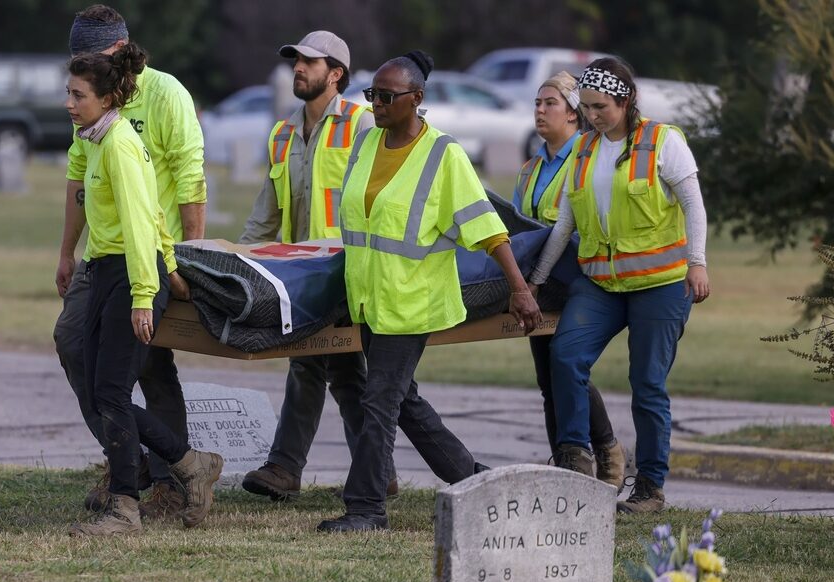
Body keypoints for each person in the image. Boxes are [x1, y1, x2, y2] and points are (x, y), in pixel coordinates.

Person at [317, 51, 543, 533]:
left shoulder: (444, 155)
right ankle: (470, 479)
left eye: (386, 96)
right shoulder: (365, 144)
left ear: (416, 99)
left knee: (380, 401)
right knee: (404, 401)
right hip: (369, 298)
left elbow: (486, 227)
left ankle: (366, 509)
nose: (375, 104)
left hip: (413, 303)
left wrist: (519, 289)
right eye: (371, 94)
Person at [528, 57, 711, 514]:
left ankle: (650, 488)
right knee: (565, 355)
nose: (592, 116)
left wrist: (698, 263)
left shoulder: (662, 142)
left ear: (625, 100)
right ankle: (575, 461)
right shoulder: (584, 150)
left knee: (647, 384)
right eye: (586, 107)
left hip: (660, 285)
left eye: (600, 107)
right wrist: (535, 280)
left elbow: (694, 205)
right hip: (602, 284)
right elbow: (565, 224)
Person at [54, 4, 207, 520]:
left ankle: (171, 479)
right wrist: (66, 252)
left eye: (88, 68)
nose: (72, 96)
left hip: (146, 264)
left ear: (117, 55)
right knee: (78, 350)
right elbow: (79, 184)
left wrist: (186, 263)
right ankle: (129, 460)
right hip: (105, 258)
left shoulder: (160, 99)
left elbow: (188, 181)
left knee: (146, 371)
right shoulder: (92, 122)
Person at [238, 31, 400, 501]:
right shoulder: (283, 132)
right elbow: (266, 212)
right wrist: (239, 258)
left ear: (336, 74)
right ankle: (376, 471)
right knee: (341, 371)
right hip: (303, 275)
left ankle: (287, 468)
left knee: (313, 363)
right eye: (295, 61)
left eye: (309, 62)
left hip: (347, 270)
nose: (298, 68)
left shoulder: (364, 124)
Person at [513, 72, 625, 490]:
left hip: (579, 277)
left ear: (575, 115)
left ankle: (604, 452)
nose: (540, 110)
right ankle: (567, 460)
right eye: (537, 103)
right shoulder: (529, 168)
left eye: (550, 103)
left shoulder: (591, 158)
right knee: (549, 377)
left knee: (566, 367)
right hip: (538, 282)